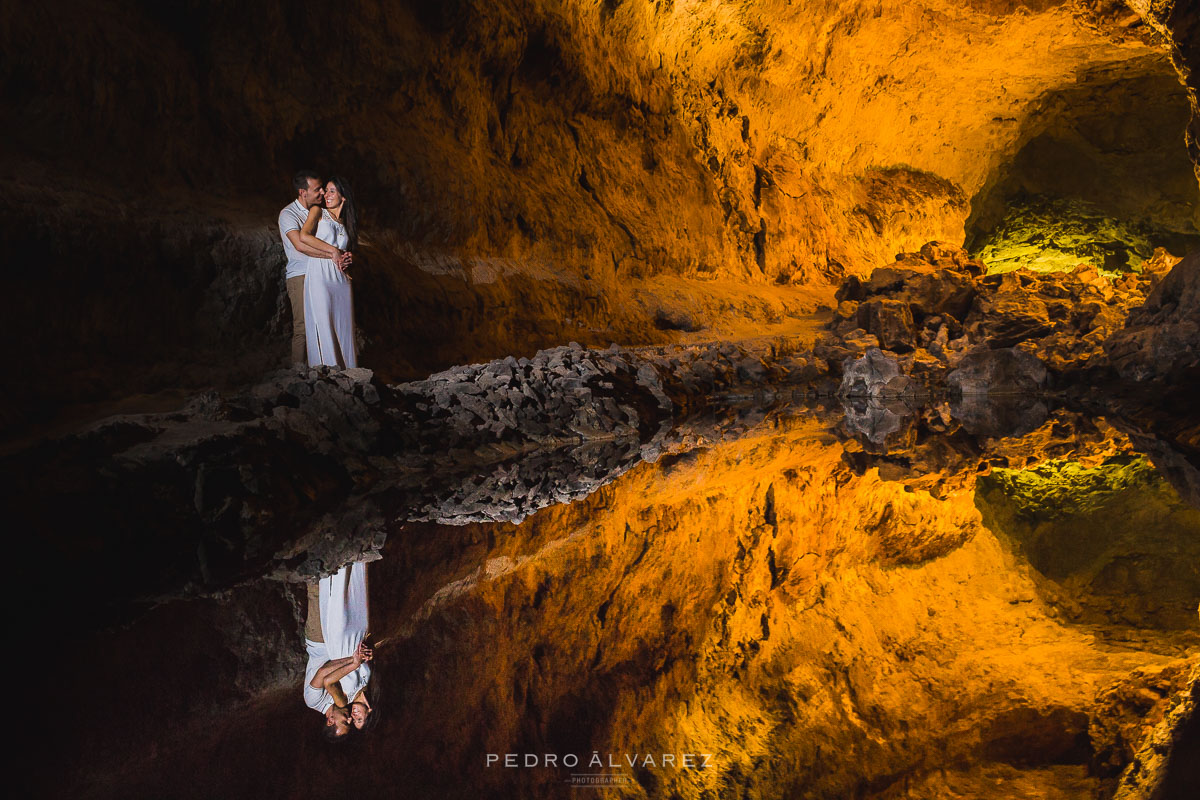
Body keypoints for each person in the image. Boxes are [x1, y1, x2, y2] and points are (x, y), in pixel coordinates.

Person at [278, 171, 350, 367]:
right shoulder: (288, 214)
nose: (321, 193)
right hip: (300, 274)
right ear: (303, 192)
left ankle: (321, 369)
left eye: (323, 189)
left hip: (321, 275)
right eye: (317, 189)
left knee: (322, 325)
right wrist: (332, 254)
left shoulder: (320, 211)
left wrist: (343, 255)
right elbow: (300, 245)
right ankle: (297, 373)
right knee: (302, 326)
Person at [303, 561, 373, 740]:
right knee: (342, 592)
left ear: (330, 721)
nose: (349, 718)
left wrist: (352, 660)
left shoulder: (313, 701)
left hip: (319, 641)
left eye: (345, 722)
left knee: (317, 591)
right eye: (353, 721)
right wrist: (364, 656)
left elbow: (324, 671)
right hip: (339, 640)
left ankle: (317, 554)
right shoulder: (347, 700)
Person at [298, 176, 358, 368]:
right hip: (320, 274)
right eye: (326, 190)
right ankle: (330, 371)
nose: (326, 195)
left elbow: (346, 251)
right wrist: (333, 251)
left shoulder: (345, 224)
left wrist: (349, 258)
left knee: (344, 326)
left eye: (332, 191)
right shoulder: (318, 211)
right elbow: (304, 236)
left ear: (344, 197)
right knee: (323, 322)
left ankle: (350, 371)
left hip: (341, 279)